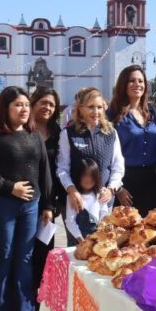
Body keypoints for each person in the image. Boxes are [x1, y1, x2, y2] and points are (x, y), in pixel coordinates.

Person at [0, 86, 53, 311]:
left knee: (26, 257)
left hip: (31, 205)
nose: (24, 109)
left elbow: (44, 171)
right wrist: (10, 187)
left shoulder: (33, 135)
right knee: (5, 255)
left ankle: (25, 309)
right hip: (3, 204)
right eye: (18, 105)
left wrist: (47, 204)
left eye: (26, 105)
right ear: (5, 108)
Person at [57, 87, 125, 243]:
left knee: (102, 245)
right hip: (78, 200)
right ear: (80, 109)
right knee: (78, 247)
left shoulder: (111, 133)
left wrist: (112, 188)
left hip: (103, 199)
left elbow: (118, 166)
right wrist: (71, 190)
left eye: (99, 107)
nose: (96, 111)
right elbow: (62, 168)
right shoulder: (68, 134)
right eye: (91, 107)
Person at [109, 65, 156, 216]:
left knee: (150, 231)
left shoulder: (152, 111)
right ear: (123, 84)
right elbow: (106, 154)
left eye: (141, 81)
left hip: (152, 181)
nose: (137, 84)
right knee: (126, 230)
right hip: (126, 180)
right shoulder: (113, 113)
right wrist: (118, 187)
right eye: (131, 81)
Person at [29, 87, 63, 311]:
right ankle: (21, 297)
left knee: (43, 250)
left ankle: (39, 298)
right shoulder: (24, 130)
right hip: (26, 198)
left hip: (49, 201)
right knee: (22, 252)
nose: (47, 107)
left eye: (51, 104)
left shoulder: (58, 132)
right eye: (43, 102)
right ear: (33, 103)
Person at [65, 158, 110, 241]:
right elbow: (70, 221)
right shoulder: (72, 197)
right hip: (78, 240)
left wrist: (100, 231)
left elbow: (104, 213)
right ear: (79, 175)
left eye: (92, 175)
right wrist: (80, 239)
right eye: (85, 175)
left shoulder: (100, 194)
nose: (88, 179)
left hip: (97, 238)